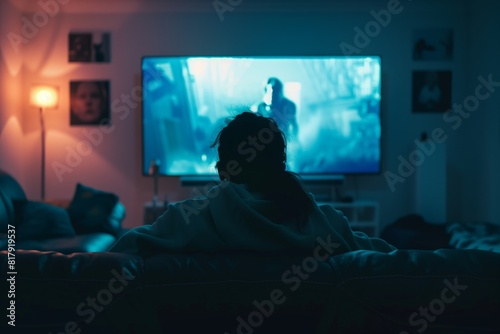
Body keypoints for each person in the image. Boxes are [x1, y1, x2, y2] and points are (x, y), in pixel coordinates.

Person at [108, 112, 395, 255]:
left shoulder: (185, 222)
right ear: (281, 164)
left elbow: (115, 259)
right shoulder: (330, 226)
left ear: (222, 170)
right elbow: (386, 260)